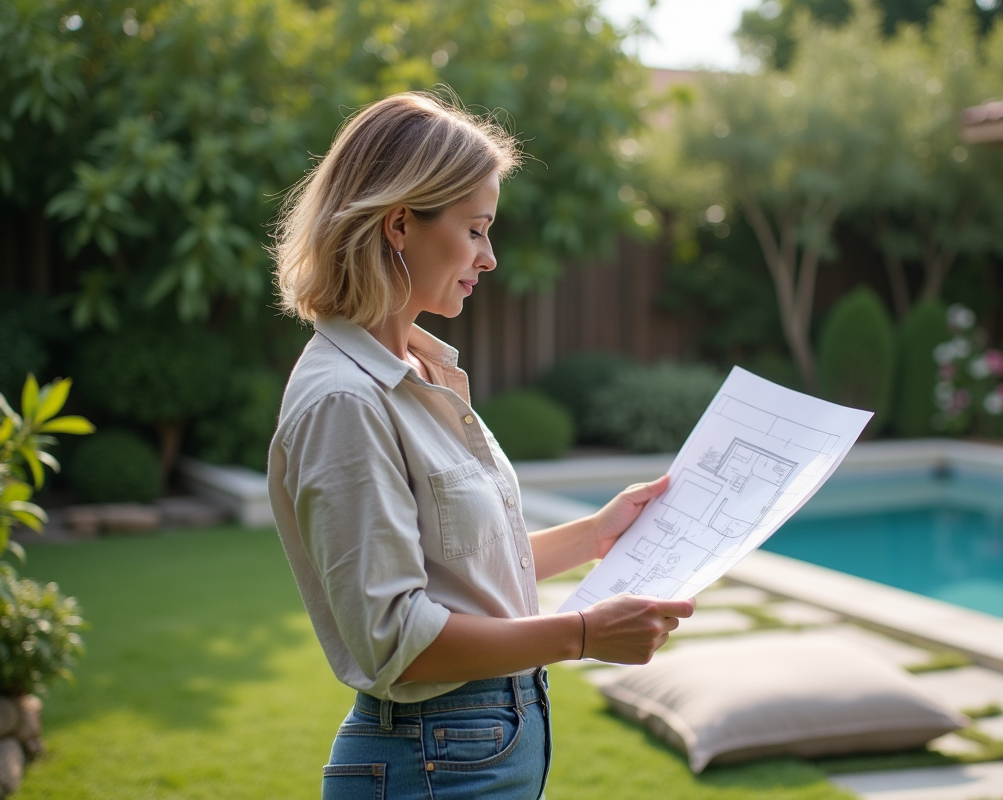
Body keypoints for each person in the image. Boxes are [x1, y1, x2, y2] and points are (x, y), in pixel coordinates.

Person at [266, 92, 694, 800]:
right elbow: (396, 638)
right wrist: (582, 634)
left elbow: (463, 567)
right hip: (433, 759)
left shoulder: (419, 369)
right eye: (474, 230)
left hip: (475, 746)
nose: (488, 257)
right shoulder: (346, 399)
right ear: (400, 224)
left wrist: (594, 535)